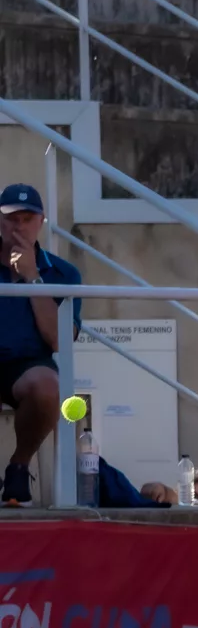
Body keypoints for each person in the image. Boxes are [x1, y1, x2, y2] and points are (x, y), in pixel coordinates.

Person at [0, 184, 82, 506]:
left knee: (49, 388)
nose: (18, 226)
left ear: (41, 222)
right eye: (10, 218)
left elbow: (59, 340)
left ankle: (19, 467)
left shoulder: (63, 273)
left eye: (26, 218)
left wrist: (33, 276)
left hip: (29, 365)